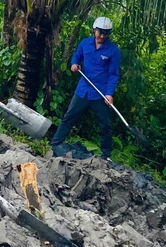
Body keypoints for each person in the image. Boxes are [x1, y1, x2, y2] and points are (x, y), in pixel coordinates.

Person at [50, 17, 121, 160]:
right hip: (83, 89)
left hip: (100, 93)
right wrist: (75, 64)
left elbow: (113, 74)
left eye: (106, 33)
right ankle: (55, 142)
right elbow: (76, 56)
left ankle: (106, 155)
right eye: (100, 32)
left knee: (105, 125)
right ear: (94, 30)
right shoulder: (85, 43)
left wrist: (109, 94)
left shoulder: (113, 51)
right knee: (69, 116)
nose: (102, 36)